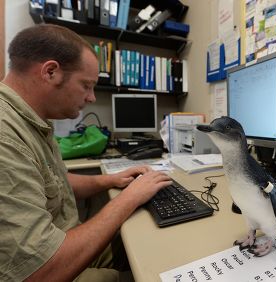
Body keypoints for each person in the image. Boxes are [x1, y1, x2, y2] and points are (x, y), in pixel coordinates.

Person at [0, 24, 172, 281]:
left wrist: (110, 180)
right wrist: (129, 198)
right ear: (50, 72)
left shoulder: (33, 120)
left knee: (153, 238)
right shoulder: (6, 136)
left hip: (62, 238)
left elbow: (53, 180)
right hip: (48, 267)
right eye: (86, 85)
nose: (91, 98)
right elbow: (38, 271)